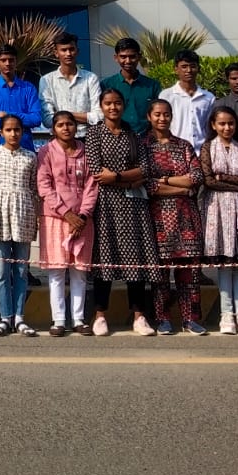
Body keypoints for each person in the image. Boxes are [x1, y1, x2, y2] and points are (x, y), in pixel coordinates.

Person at [84, 87, 162, 334]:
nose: (113, 107)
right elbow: (96, 170)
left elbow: (146, 169)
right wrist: (129, 179)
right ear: (101, 106)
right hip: (105, 205)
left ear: (123, 105)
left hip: (133, 205)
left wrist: (117, 177)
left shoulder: (133, 134)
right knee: (104, 258)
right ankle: (100, 315)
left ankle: (139, 316)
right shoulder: (94, 133)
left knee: (135, 259)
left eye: (117, 103)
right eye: (108, 103)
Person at [143, 98, 205, 335]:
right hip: (157, 218)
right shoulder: (143, 146)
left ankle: (191, 319)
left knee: (189, 273)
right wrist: (182, 188)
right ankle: (162, 318)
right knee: (160, 274)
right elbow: (148, 185)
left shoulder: (183, 145)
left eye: (166, 114)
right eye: (157, 114)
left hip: (186, 217)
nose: (162, 118)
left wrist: (166, 181)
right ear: (149, 117)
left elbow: (196, 177)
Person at [37, 110, 98, 336]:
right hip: (55, 218)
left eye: (69, 124)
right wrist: (66, 213)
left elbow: (92, 186)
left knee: (79, 271)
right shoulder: (46, 152)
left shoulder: (86, 152)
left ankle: (79, 319)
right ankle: (59, 320)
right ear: (53, 129)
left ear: (76, 126)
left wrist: (82, 215)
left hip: (83, 220)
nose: (66, 128)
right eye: (60, 124)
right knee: (57, 271)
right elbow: (44, 186)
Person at [200, 105, 238, 335]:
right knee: (225, 264)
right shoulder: (207, 147)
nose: (227, 128)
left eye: (231, 123)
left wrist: (223, 177)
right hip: (216, 210)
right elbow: (208, 180)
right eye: (222, 123)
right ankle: (226, 314)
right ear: (213, 125)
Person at [0, 114, 39, 335]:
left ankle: (19, 317)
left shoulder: (31, 157)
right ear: (1, 133)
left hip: (23, 216)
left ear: (22, 132)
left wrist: (36, 216)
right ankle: (4, 317)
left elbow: (34, 188)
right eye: (8, 130)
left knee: (21, 270)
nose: (13, 133)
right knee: (1, 271)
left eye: (17, 129)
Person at [0, 43, 40, 149]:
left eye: (11, 60)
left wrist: (7, 114)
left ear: (16, 61)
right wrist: (22, 119)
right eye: (3, 60)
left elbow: (36, 119)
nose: (8, 63)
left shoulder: (29, 88)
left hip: (25, 148)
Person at [38, 35, 100, 137]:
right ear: (56, 53)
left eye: (71, 49)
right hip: (59, 139)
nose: (68, 54)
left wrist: (62, 114)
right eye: (64, 50)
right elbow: (47, 120)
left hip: (88, 138)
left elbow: (98, 116)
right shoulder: (46, 80)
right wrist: (83, 117)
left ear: (77, 51)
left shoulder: (91, 78)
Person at [159, 50, 214, 153]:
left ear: (198, 68)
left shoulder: (208, 97)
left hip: (201, 152)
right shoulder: (166, 95)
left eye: (193, 66)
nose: (188, 70)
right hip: (174, 150)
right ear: (176, 69)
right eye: (184, 67)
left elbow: (210, 127)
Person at [105, 38, 161, 137]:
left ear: (139, 57)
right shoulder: (107, 85)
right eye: (123, 57)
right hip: (116, 138)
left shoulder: (152, 85)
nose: (128, 61)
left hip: (146, 139)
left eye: (132, 57)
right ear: (116, 58)